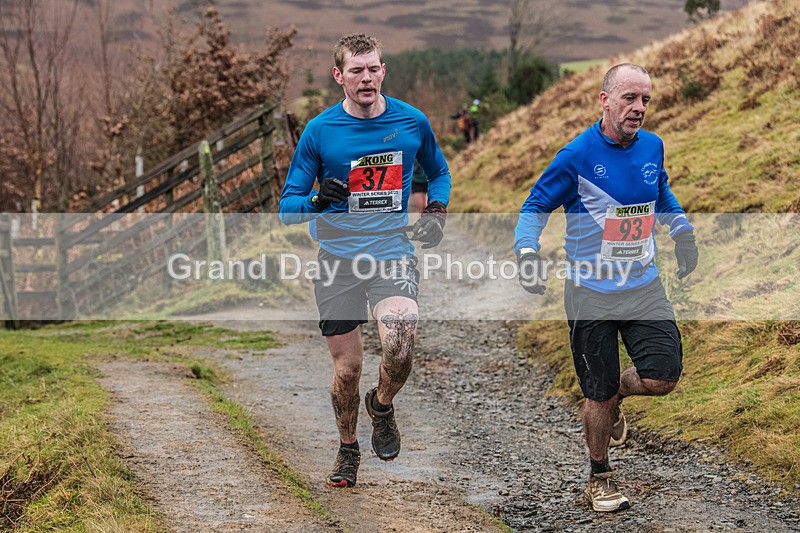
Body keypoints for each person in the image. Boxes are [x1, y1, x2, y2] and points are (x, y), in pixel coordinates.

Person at [513, 63, 699, 512]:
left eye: (645, 99)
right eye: (629, 98)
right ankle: (600, 477)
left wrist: (682, 231)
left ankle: (616, 396)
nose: (639, 107)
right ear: (605, 100)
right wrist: (527, 252)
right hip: (590, 291)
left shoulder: (653, 146)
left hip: (642, 285)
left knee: (663, 376)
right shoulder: (576, 155)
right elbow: (535, 205)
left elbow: (661, 192)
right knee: (597, 393)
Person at [278, 33, 451, 488]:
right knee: (348, 369)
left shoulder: (411, 121)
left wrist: (436, 210)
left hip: (391, 252)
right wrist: (318, 200)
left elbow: (439, 171)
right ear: (339, 76)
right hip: (337, 261)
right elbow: (287, 208)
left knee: (400, 345)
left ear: (383, 70)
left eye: (374, 68)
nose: (367, 78)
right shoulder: (320, 131)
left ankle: (383, 405)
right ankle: (348, 448)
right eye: (357, 70)